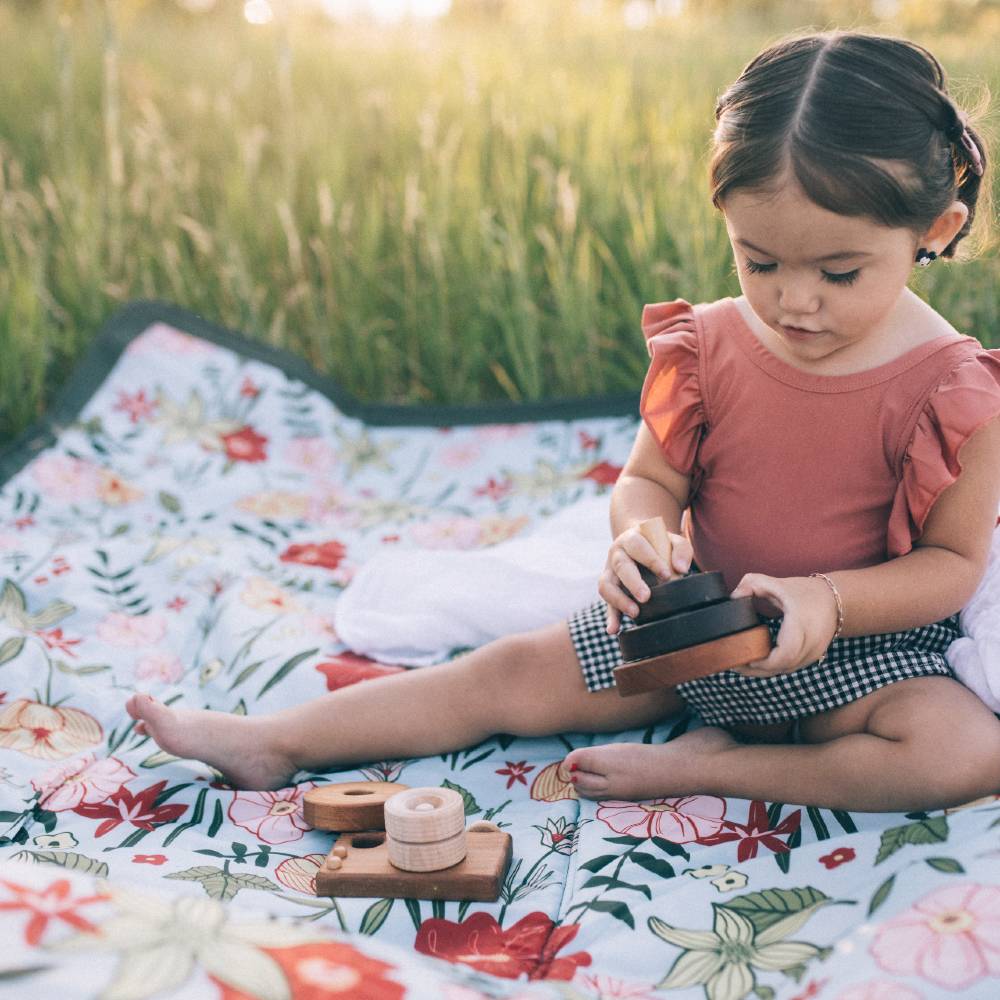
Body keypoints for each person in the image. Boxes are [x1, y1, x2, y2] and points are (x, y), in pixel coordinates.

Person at [127, 30, 1000, 812]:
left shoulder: (954, 390)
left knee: (961, 751)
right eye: (759, 260)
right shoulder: (710, 346)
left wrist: (827, 601)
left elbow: (952, 564)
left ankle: (717, 768)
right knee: (504, 673)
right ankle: (276, 740)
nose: (793, 301)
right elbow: (651, 481)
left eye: (840, 273)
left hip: (845, 653)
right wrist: (640, 541)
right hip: (685, 638)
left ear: (936, 227)